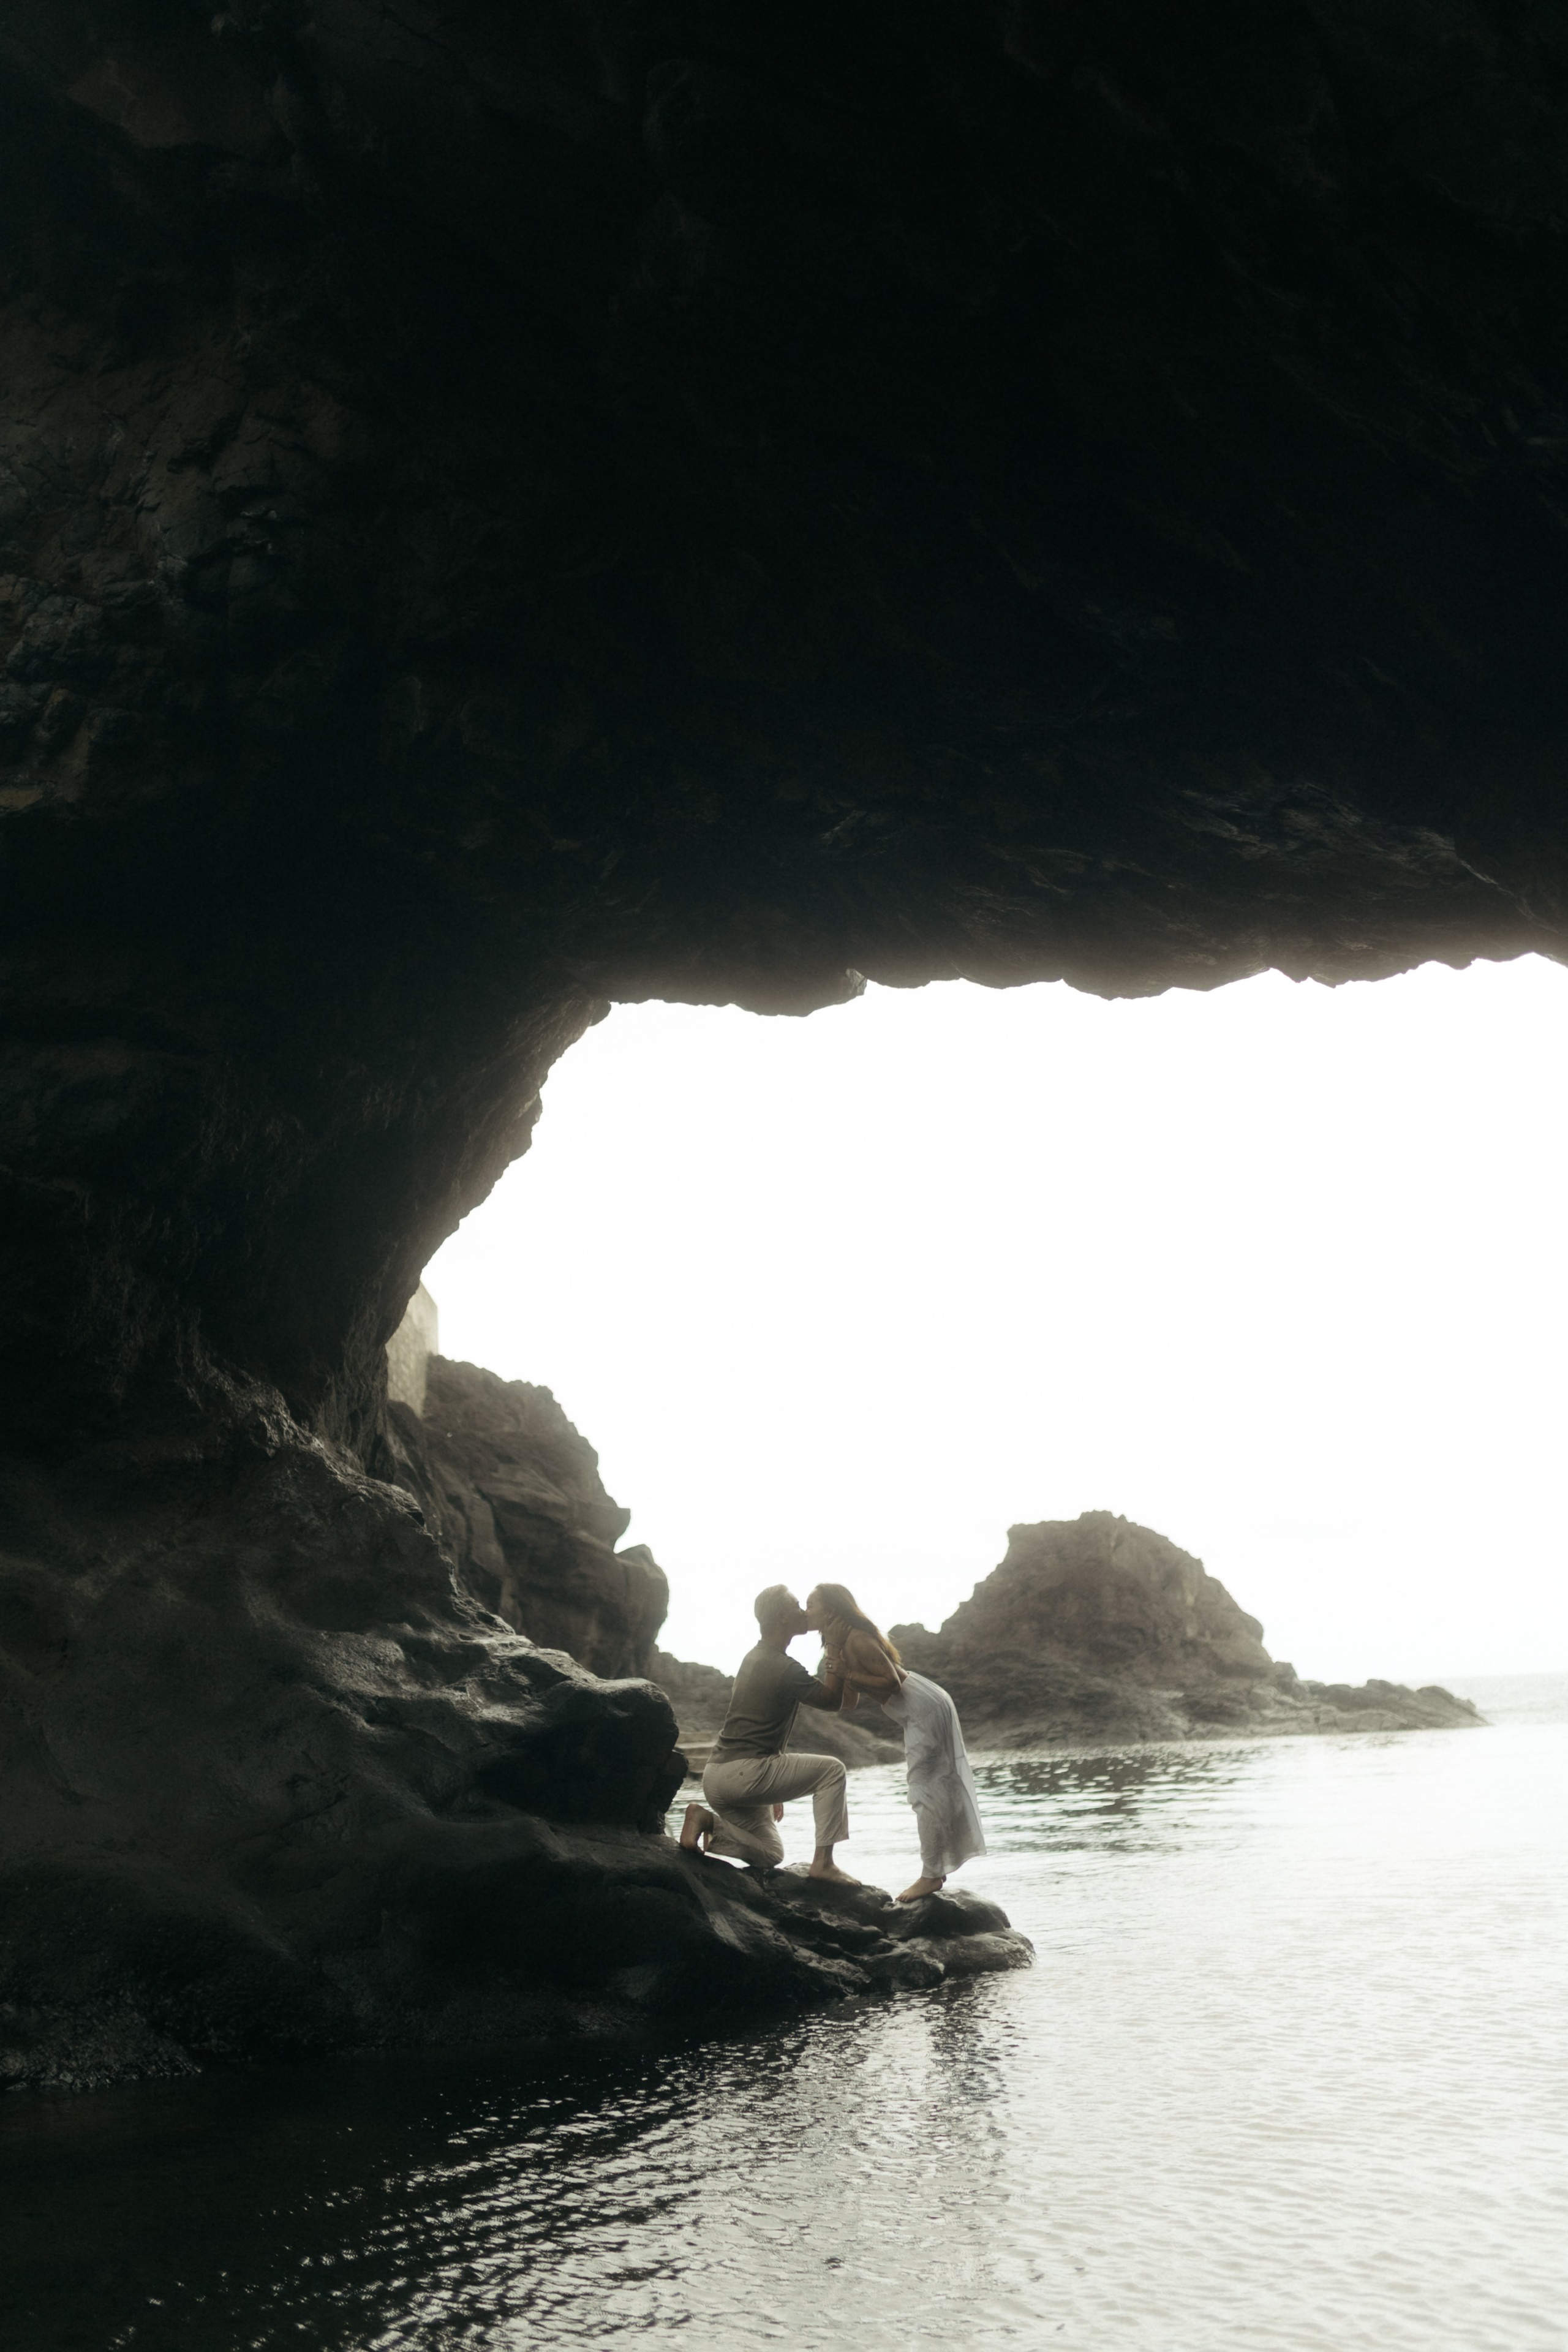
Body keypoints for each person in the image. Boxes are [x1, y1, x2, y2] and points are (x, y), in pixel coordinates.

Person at [807, 1580, 986, 1904]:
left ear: (831, 1610)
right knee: (933, 1786)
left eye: (811, 1605)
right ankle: (937, 1868)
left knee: (925, 1789)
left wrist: (846, 1673)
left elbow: (890, 1682)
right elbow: (848, 1703)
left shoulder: (859, 1638)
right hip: (917, 1708)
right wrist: (834, 1655)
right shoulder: (842, 1642)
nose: (806, 1612)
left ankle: (931, 1875)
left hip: (924, 1707)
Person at [679, 1585, 861, 1884]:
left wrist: (772, 1787)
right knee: (833, 1771)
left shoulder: (756, 1657)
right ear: (782, 1617)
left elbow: (757, 1727)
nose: (803, 1611)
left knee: (770, 1853)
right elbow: (831, 1701)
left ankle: (705, 1820)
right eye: (797, 1605)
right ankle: (824, 1864)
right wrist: (832, 1642)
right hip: (744, 1774)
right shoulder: (782, 1666)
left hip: (721, 1778)